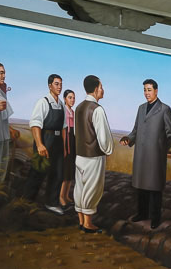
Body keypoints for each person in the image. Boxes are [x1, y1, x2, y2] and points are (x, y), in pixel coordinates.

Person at [120, 78, 171, 229]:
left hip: (156, 155)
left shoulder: (165, 109)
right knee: (141, 186)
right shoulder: (141, 108)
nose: (146, 93)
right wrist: (128, 139)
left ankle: (156, 218)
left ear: (156, 91)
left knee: (155, 187)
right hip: (141, 154)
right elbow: (135, 130)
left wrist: (161, 149)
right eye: (144, 90)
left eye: (149, 90)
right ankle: (142, 213)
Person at [74, 75, 114, 233]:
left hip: (79, 155)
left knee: (80, 187)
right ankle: (88, 224)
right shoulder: (97, 109)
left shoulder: (79, 107)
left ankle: (81, 221)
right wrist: (108, 150)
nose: (103, 90)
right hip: (93, 156)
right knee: (92, 188)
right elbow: (103, 137)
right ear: (96, 89)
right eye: (101, 86)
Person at [24, 73, 67, 213]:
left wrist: (65, 146)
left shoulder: (61, 104)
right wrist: (40, 144)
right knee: (38, 172)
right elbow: (35, 124)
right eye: (56, 84)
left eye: (60, 84)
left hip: (58, 142)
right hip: (45, 139)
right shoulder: (43, 102)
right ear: (50, 86)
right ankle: (25, 202)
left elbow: (64, 128)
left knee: (58, 173)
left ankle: (51, 203)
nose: (59, 87)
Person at [59, 89, 77, 211]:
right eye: (70, 97)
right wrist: (64, 147)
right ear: (65, 98)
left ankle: (66, 195)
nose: (72, 100)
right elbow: (63, 130)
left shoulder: (73, 112)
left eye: (73, 98)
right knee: (65, 170)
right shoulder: (63, 111)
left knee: (71, 169)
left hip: (72, 139)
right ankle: (61, 196)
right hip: (65, 139)